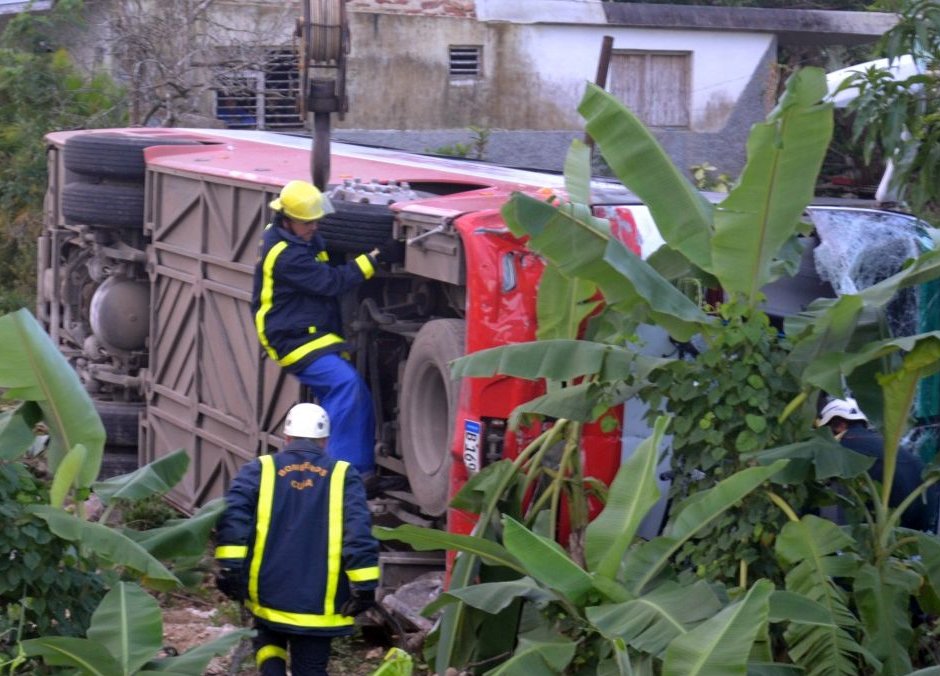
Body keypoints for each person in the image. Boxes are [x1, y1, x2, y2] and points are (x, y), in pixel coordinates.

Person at [215, 402, 380, 676]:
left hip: (267, 593)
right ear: (325, 441)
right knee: (311, 668)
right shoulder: (342, 475)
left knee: (268, 644)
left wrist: (230, 569)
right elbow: (358, 533)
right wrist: (364, 587)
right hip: (319, 602)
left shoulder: (260, 468)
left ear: (287, 437)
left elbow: (232, 518)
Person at [252, 180, 400, 477]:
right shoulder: (285, 253)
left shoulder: (293, 236)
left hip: (310, 333)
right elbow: (330, 282)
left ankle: (328, 462)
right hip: (292, 339)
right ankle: (346, 472)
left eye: (316, 221)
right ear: (287, 219)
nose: (314, 228)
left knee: (346, 389)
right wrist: (375, 258)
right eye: (307, 223)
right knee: (346, 386)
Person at [817, 396, 937, 531]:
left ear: (839, 425)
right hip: (925, 514)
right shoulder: (889, 445)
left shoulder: (841, 447)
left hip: (889, 521)